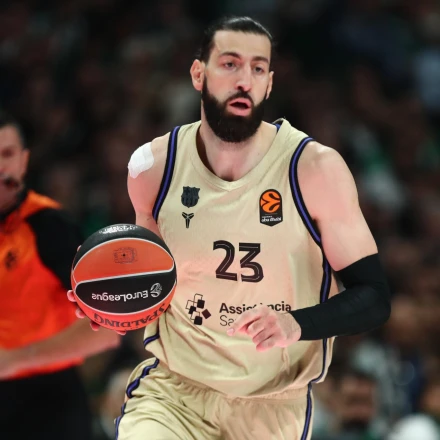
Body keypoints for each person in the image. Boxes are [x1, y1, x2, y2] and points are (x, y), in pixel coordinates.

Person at [69, 16, 391, 440]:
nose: (244, 80)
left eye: (258, 68)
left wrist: (295, 323)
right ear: (198, 74)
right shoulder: (154, 168)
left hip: (272, 406)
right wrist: (113, 303)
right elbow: (152, 287)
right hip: (175, 392)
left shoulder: (314, 170)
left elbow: (374, 297)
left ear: (269, 84)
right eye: (230, 64)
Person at [0, 111, 121, 440]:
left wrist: (14, 360)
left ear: (23, 161)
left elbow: (108, 325)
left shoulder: (47, 226)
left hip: (45, 410)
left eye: (7, 154)